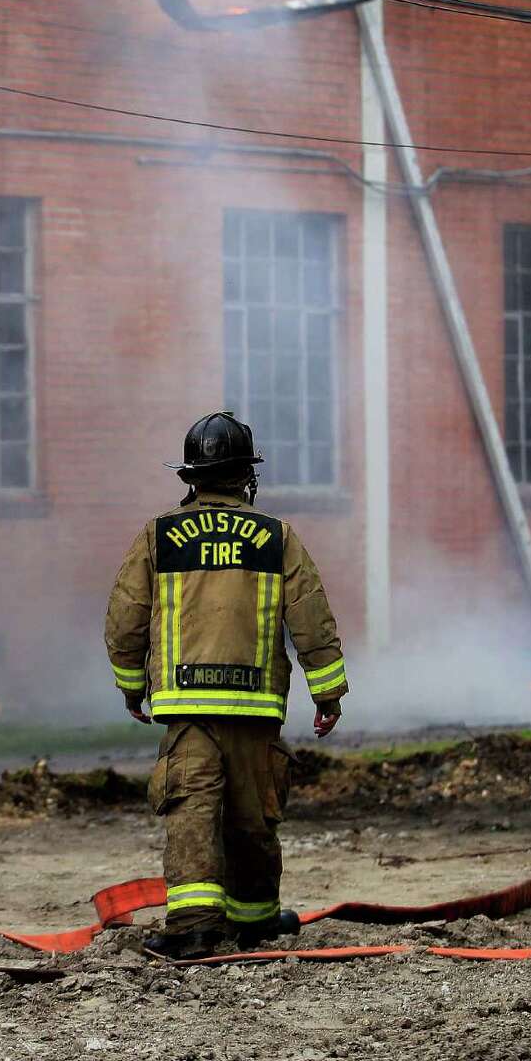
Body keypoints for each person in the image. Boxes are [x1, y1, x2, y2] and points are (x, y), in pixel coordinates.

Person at [104, 410, 348, 960]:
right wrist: (328, 692)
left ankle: (193, 927)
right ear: (247, 476)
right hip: (254, 706)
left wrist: (131, 685)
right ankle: (255, 920)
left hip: (187, 706)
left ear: (190, 476)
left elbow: (125, 618)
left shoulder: (160, 535)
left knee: (191, 810)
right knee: (251, 817)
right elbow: (312, 619)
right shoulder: (276, 537)